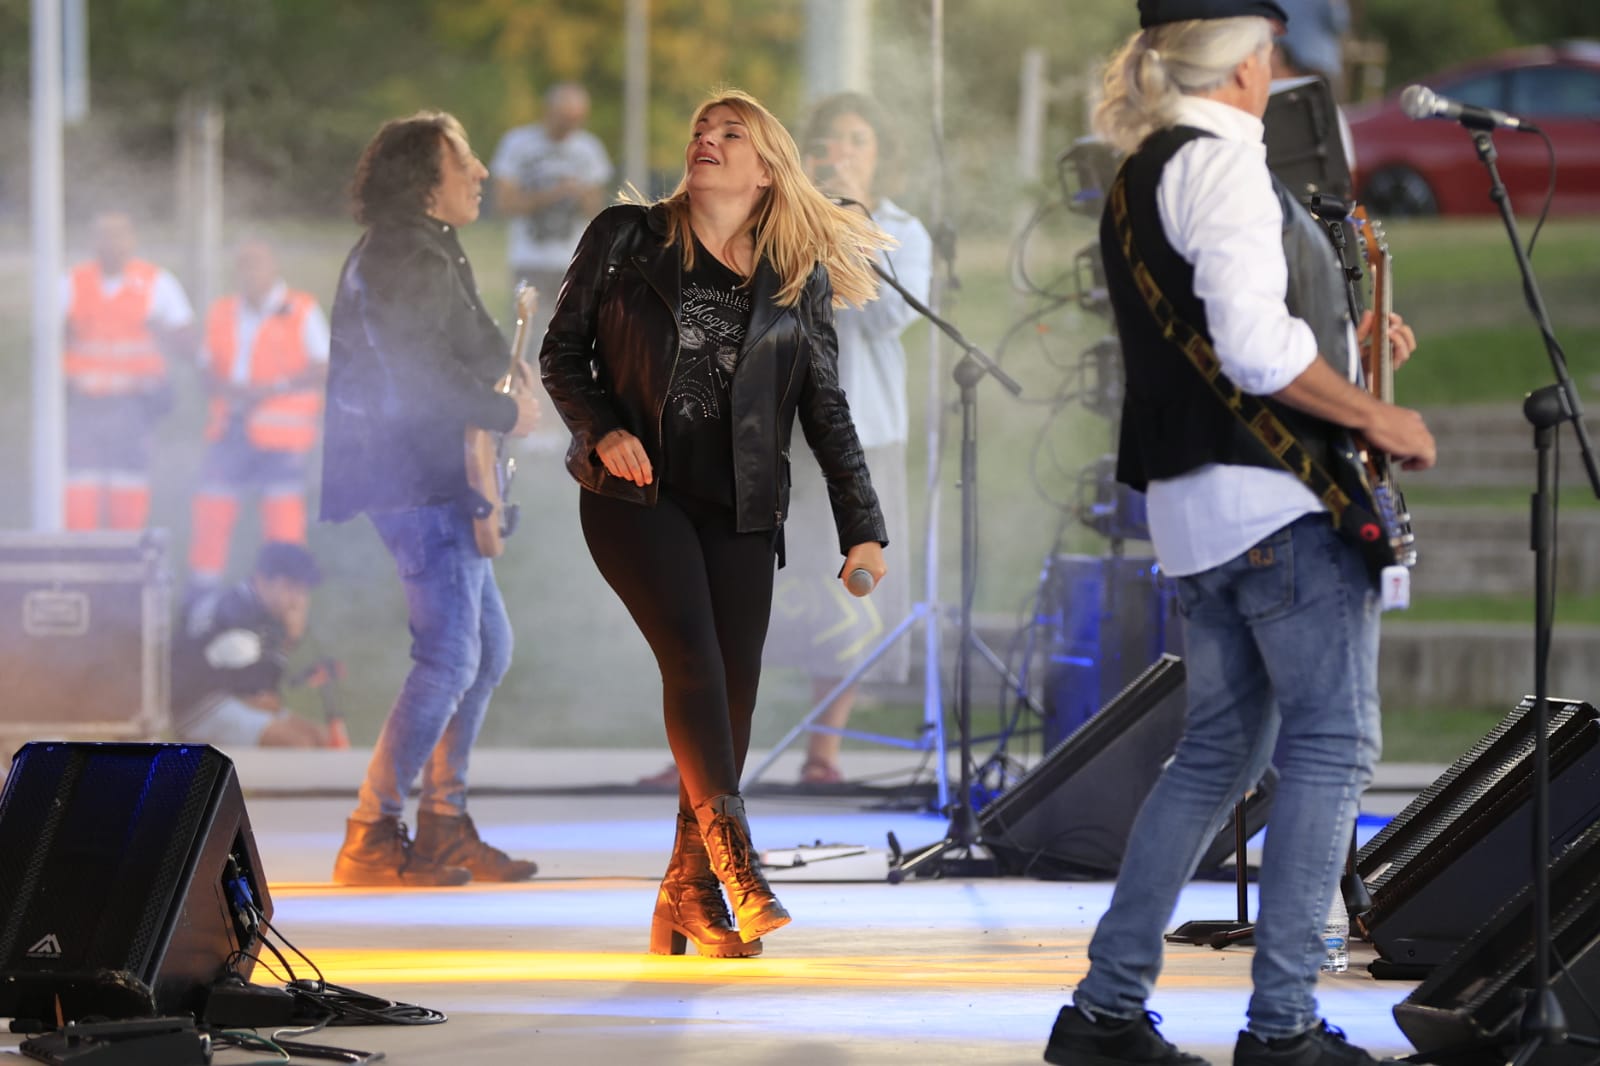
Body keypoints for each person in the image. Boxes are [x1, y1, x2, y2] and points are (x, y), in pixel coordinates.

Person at [1041, 5, 1436, 1066]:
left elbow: (1222, 346)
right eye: (1271, 46)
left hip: (1196, 510)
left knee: (1215, 755)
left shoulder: (1139, 173)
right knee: (1329, 747)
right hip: (1274, 507)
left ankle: (1104, 1013)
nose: (1280, 64)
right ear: (1247, 65)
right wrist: (1371, 411)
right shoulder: (1221, 165)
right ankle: (1284, 1027)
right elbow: (1255, 357)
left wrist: (1341, 352)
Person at [540, 89, 890, 957]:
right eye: (701, 128)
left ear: (766, 167)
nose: (707, 140)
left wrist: (863, 524)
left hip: (742, 506)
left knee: (729, 696)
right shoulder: (626, 236)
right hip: (637, 495)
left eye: (731, 134)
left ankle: (684, 896)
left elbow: (826, 406)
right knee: (692, 659)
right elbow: (562, 352)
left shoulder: (796, 274)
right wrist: (603, 428)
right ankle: (738, 868)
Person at [320, 111, 542, 888]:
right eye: (466, 161)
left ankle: (444, 823)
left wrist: (524, 380)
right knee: (449, 657)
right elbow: (419, 375)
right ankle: (372, 832)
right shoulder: (399, 256)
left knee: (485, 654)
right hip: (409, 478)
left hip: (433, 473)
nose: (481, 173)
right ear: (424, 181)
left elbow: (475, 341)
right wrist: (502, 410)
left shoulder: (427, 248)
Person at [188, 238, 330, 590]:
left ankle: (285, 599)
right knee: (212, 514)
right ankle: (202, 597)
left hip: (282, 438)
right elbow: (206, 368)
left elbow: (324, 366)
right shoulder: (222, 311)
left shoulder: (300, 309)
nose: (249, 273)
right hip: (229, 430)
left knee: (283, 524)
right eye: (243, 265)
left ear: (273, 267)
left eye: (257, 264)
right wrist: (223, 387)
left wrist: (274, 388)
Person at [61, 212, 196, 530]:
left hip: (135, 406)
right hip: (83, 404)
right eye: (104, 235)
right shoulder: (71, 283)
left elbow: (188, 342)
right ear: (92, 242)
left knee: (128, 483)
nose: (112, 244)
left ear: (132, 240)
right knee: (81, 483)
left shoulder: (157, 284)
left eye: (119, 235)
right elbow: (48, 341)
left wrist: (160, 330)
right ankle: (80, 560)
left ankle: (124, 558)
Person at [171, 541, 331, 748]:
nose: (298, 601)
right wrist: (288, 640)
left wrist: (289, 639)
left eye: (302, 591)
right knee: (296, 743)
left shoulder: (268, 613)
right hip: (199, 707)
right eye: (291, 588)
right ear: (262, 581)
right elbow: (258, 695)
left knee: (319, 737)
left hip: (233, 699)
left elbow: (264, 691)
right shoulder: (235, 609)